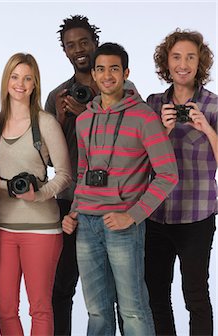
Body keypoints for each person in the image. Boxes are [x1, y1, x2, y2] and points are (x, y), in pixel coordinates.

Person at [62, 42, 179, 335]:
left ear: (125, 72)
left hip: (123, 225)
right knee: (97, 312)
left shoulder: (143, 117)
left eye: (114, 68)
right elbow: (83, 172)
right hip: (86, 224)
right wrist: (75, 211)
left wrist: (133, 215)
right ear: (93, 75)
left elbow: (167, 174)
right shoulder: (84, 120)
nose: (107, 75)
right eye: (100, 69)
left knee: (133, 310)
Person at [0, 53, 72, 336]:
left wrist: (40, 194)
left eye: (27, 78)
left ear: (35, 84)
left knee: (40, 308)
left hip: (42, 230)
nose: (20, 84)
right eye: (14, 76)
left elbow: (64, 174)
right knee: (6, 309)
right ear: (5, 80)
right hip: (0, 228)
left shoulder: (45, 123)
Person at [145, 29, 217, 336]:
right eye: (176, 57)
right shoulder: (153, 103)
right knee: (156, 296)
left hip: (197, 215)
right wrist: (162, 130)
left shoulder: (213, 105)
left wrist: (206, 129)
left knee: (196, 296)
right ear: (167, 62)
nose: (183, 63)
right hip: (156, 214)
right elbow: (140, 159)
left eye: (190, 56)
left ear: (199, 62)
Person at [44, 15, 100, 335]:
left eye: (83, 42)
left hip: (108, 201)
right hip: (67, 201)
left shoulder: (114, 87)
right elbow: (50, 159)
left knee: (108, 290)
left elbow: (128, 147)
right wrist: (63, 120)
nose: (78, 50)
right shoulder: (57, 96)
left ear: (94, 42)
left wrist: (90, 116)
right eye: (70, 45)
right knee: (62, 286)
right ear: (64, 51)